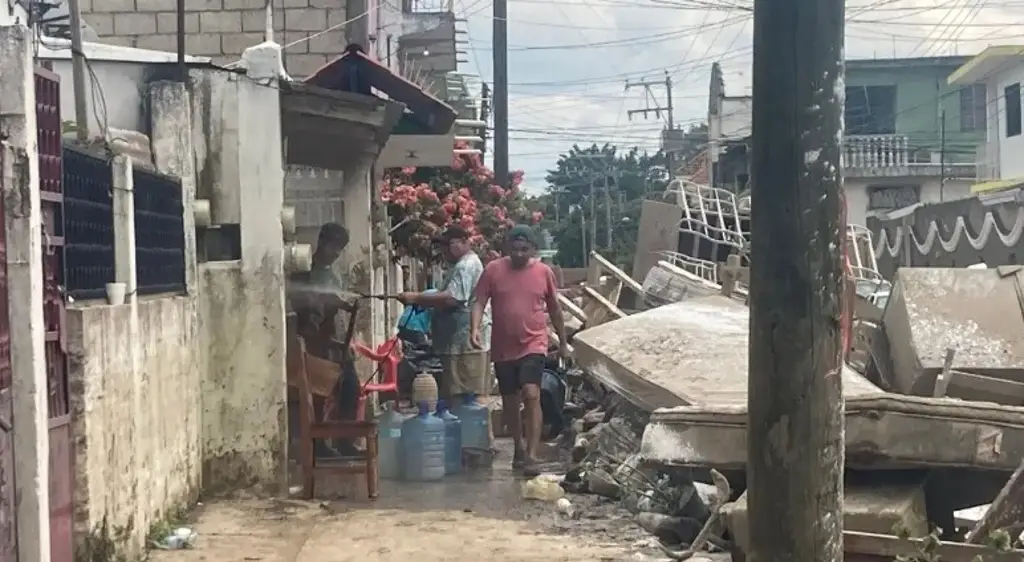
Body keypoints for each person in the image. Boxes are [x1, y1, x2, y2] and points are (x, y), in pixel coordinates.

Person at [470, 225, 568, 472]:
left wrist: (564, 342)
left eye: (524, 249)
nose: (519, 254)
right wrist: (475, 329)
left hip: (534, 342)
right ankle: (518, 448)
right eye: (514, 249)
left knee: (532, 393)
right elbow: (479, 302)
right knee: (510, 401)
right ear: (506, 249)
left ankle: (532, 454)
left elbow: (554, 308)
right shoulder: (493, 270)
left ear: (532, 249)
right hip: (503, 347)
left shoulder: (543, 272)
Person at [398, 227, 493, 432]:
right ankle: (467, 444)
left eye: (448, 245)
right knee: (457, 395)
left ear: (465, 241)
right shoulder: (460, 265)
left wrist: (416, 297)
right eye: (442, 246)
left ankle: (473, 445)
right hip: (457, 343)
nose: (444, 251)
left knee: (467, 395)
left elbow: (453, 298)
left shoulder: (466, 265)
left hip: (466, 343)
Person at [288, 222, 361, 457]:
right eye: (333, 247)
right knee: (318, 394)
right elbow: (302, 303)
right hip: (315, 341)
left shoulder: (334, 273)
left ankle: (345, 441)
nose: (336, 254)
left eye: (340, 249)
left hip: (337, 341)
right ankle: (318, 445)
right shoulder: (305, 269)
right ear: (322, 242)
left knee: (350, 389)